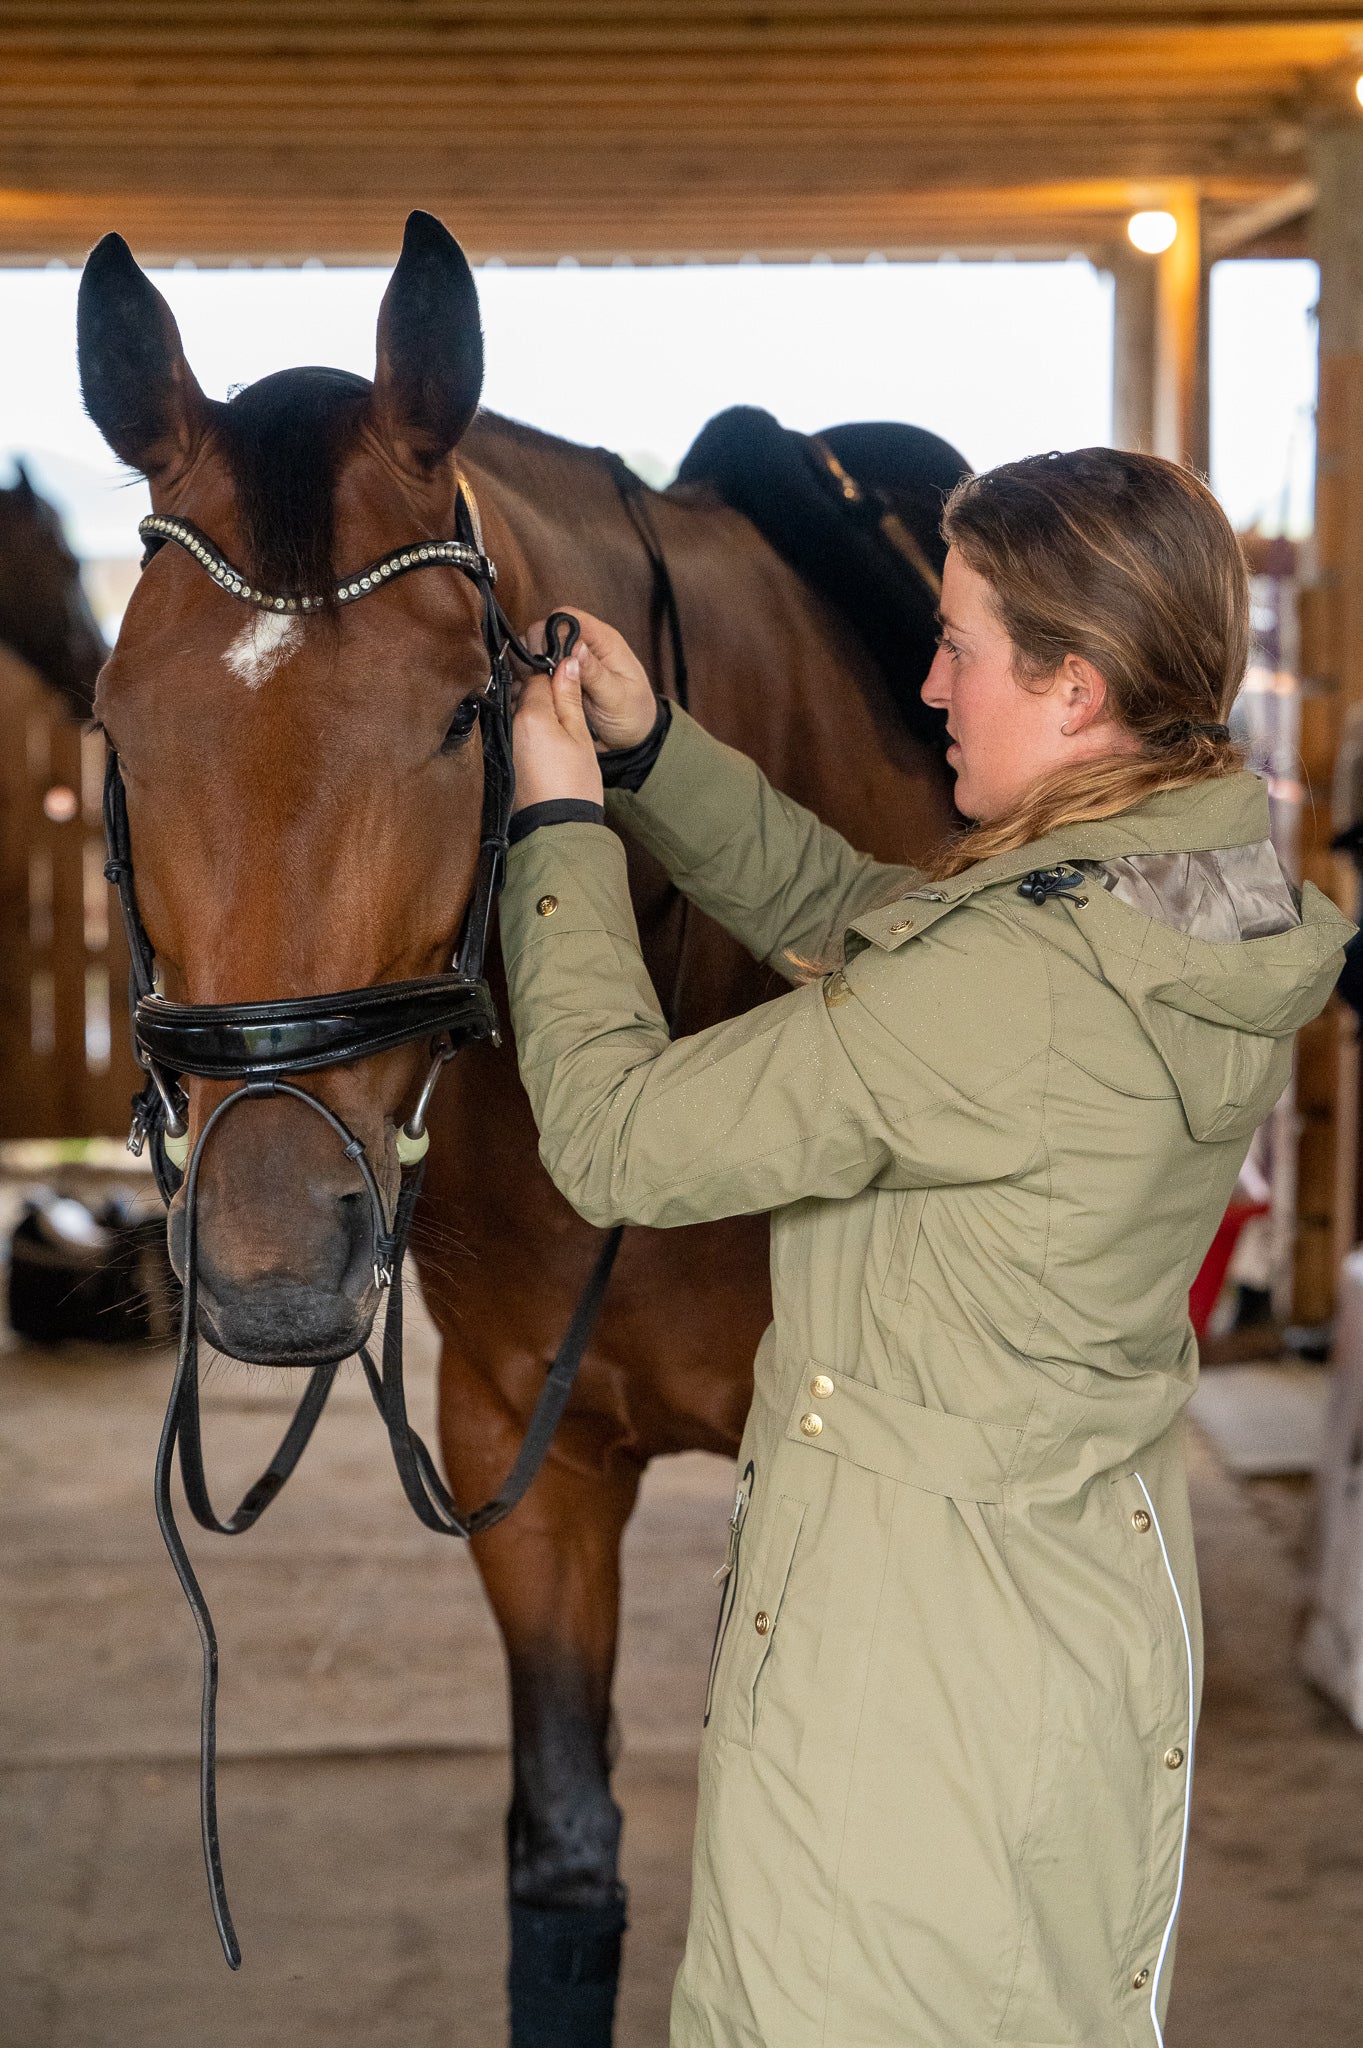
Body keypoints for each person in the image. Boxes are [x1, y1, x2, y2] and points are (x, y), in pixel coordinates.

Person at [499, 447, 1353, 2048]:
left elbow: (615, 1135)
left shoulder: (1019, 994)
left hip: (913, 1693)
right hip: (1054, 1622)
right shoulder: (1184, 891)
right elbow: (874, 923)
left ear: (1082, 690)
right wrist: (650, 754)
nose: (930, 676)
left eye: (963, 642)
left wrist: (558, 832)